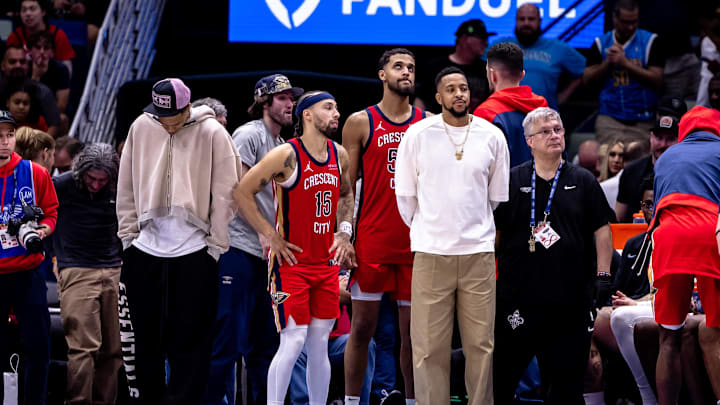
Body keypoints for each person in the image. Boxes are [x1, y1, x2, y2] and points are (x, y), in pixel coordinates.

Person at [116, 78, 241, 404]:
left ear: (187, 109)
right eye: (161, 118)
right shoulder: (142, 127)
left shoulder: (213, 132)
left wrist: (215, 246)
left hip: (195, 252)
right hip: (144, 251)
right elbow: (125, 184)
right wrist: (129, 237)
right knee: (144, 344)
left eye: (173, 119)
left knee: (193, 345)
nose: (167, 126)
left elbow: (228, 191)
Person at [395, 66, 510, 405]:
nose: (459, 94)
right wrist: (431, 229)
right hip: (431, 252)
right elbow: (406, 197)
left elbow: (495, 197)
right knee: (429, 347)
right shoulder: (417, 135)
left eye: (463, 88)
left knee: (481, 345)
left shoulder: (492, 136)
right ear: (438, 97)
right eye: (451, 89)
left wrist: (471, 228)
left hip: (478, 253)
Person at [233, 90, 356, 405]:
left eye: (337, 106)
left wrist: (344, 232)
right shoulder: (286, 155)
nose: (336, 113)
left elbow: (345, 195)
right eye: (329, 107)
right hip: (291, 264)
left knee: (318, 343)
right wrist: (268, 233)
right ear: (308, 115)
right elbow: (242, 192)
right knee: (293, 339)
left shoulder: (339, 153)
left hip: (325, 264)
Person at [493, 107, 614, 404]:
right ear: (529, 140)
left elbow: (602, 231)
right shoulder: (510, 181)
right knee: (501, 379)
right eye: (545, 131)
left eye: (558, 129)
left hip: (570, 302)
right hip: (518, 299)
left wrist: (603, 275)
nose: (554, 135)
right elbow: (495, 235)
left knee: (565, 386)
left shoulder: (584, 180)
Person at [205, 74, 302, 405]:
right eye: (283, 98)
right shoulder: (249, 134)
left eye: (292, 98)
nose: (290, 103)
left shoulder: (280, 146)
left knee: (265, 344)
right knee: (228, 342)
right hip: (239, 248)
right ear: (264, 102)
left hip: (267, 257)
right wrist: (265, 231)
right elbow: (237, 190)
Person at [341, 48, 426, 405]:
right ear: (382, 74)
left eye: (410, 67)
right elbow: (346, 187)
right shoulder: (361, 122)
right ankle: (350, 400)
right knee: (362, 329)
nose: (406, 72)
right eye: (398, 66)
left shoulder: (427, 123)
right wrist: (344, 236)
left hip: (413, 243)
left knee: (412, 336)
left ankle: (410, 400)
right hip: (373, 240)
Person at [649, 105, 720, 404]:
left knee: (669, 337)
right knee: (716, 333)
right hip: (709, 232)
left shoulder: (666, 158)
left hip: (668, 237)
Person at [53, 143, 123, 405]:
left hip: (114, 268)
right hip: (77, 269)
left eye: (102, 180)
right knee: (83, 347)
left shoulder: (118, 187)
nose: (96, 185)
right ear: (80, 171)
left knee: (114, 350)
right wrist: (54, 255)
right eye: (91, 178)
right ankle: (78, 401)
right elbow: (44, 218)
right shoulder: (61, 185)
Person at [0, 109, 58, 405]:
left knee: (39, 349)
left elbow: (51, 213)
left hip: (28, 271)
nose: (4, 141)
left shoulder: (36, 173)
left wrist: (42, 231)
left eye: (9, 135)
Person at [605, 174, 657, 405]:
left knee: (622, 317)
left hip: (658, 308)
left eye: (656, 203)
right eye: (647, 205)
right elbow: (617, 289)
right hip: (631, 306)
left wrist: (637, 303)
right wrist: (623, 300)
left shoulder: (677, 238)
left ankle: (646, 395)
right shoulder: (633, 244)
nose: (652, 210)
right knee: (594, 319)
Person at [583, 0, 664, 144]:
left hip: (643, 119)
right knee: (607, 161)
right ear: (614, 18)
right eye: (626, 22)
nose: (631, 26)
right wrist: (608, 63)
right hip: (609, 119)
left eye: (634, 21)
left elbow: (657, 80)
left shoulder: (651, 42)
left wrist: (625, 63)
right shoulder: (600, 43)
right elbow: (587, 79)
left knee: (639, 165)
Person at [290, 272, 376, 405]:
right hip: (307, 342)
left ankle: (359, 402)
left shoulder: (336, 261)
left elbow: (349, 293)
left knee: (367, 344)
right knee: (295, 351)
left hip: (337, 342)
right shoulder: (301, 265)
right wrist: (333, 289)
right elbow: (296, 293)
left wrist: (323, 290)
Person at [491, 3, 586, 110]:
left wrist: (563, 96)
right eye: (522, 19)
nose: (526, 23)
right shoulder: (500, 46)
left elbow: (584, 71)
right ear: (516, 21)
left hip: (545, 118)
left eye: (531, 19)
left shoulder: (557, 48)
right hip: (506, 117)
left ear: (539, 21)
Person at [473, 42, 547, 167]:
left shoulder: (485, 113)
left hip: (503, 185)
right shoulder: (544, 108)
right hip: (541, 185)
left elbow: (478, 166)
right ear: (522, 75)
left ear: (493, 75)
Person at [614, 97, 686, 222]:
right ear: (651, 137)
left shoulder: (687, 173)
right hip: (636, 237)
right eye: (659, 138)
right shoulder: (631, 172)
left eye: (670, 139)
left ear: (680, 140)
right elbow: (618, 218)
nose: (663, 144)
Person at [416, 19, 494, 114]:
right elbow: (421, 100)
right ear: (465, 39)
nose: (486, 43)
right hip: (440, 125)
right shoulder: (436, 67)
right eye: (482, 39)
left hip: (476, 126)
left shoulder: (487, 70)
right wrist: (420, 123)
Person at [1, 45, 61, 137]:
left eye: (22, 62)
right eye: (12, 62)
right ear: (3, 65)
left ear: (27, 65)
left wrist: (39, 147)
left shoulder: (42, 91)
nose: (18, 65)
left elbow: (54, 124)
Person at [7, 0, 76, 75]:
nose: (28, 13)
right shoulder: (15, 36)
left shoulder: (58, 35)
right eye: (24, 10)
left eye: (32, 9)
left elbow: (67, 72)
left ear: (43, 12)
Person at [28, 31, 70, 124]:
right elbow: (22, 97)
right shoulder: (24, 67)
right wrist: (36, 77)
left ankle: (43, 139)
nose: (42, 52)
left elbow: (61, 106)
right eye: (38, 47)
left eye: (46, 48)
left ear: (52, 52)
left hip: (49, 114)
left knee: (62, 119)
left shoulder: (61, 69)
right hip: (26, 111)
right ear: (30, 51)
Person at [598, 139, 625, 210]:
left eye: (621, 155)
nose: (616, 160)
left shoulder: (629, 186)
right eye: (612, 154)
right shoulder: (597, 184)